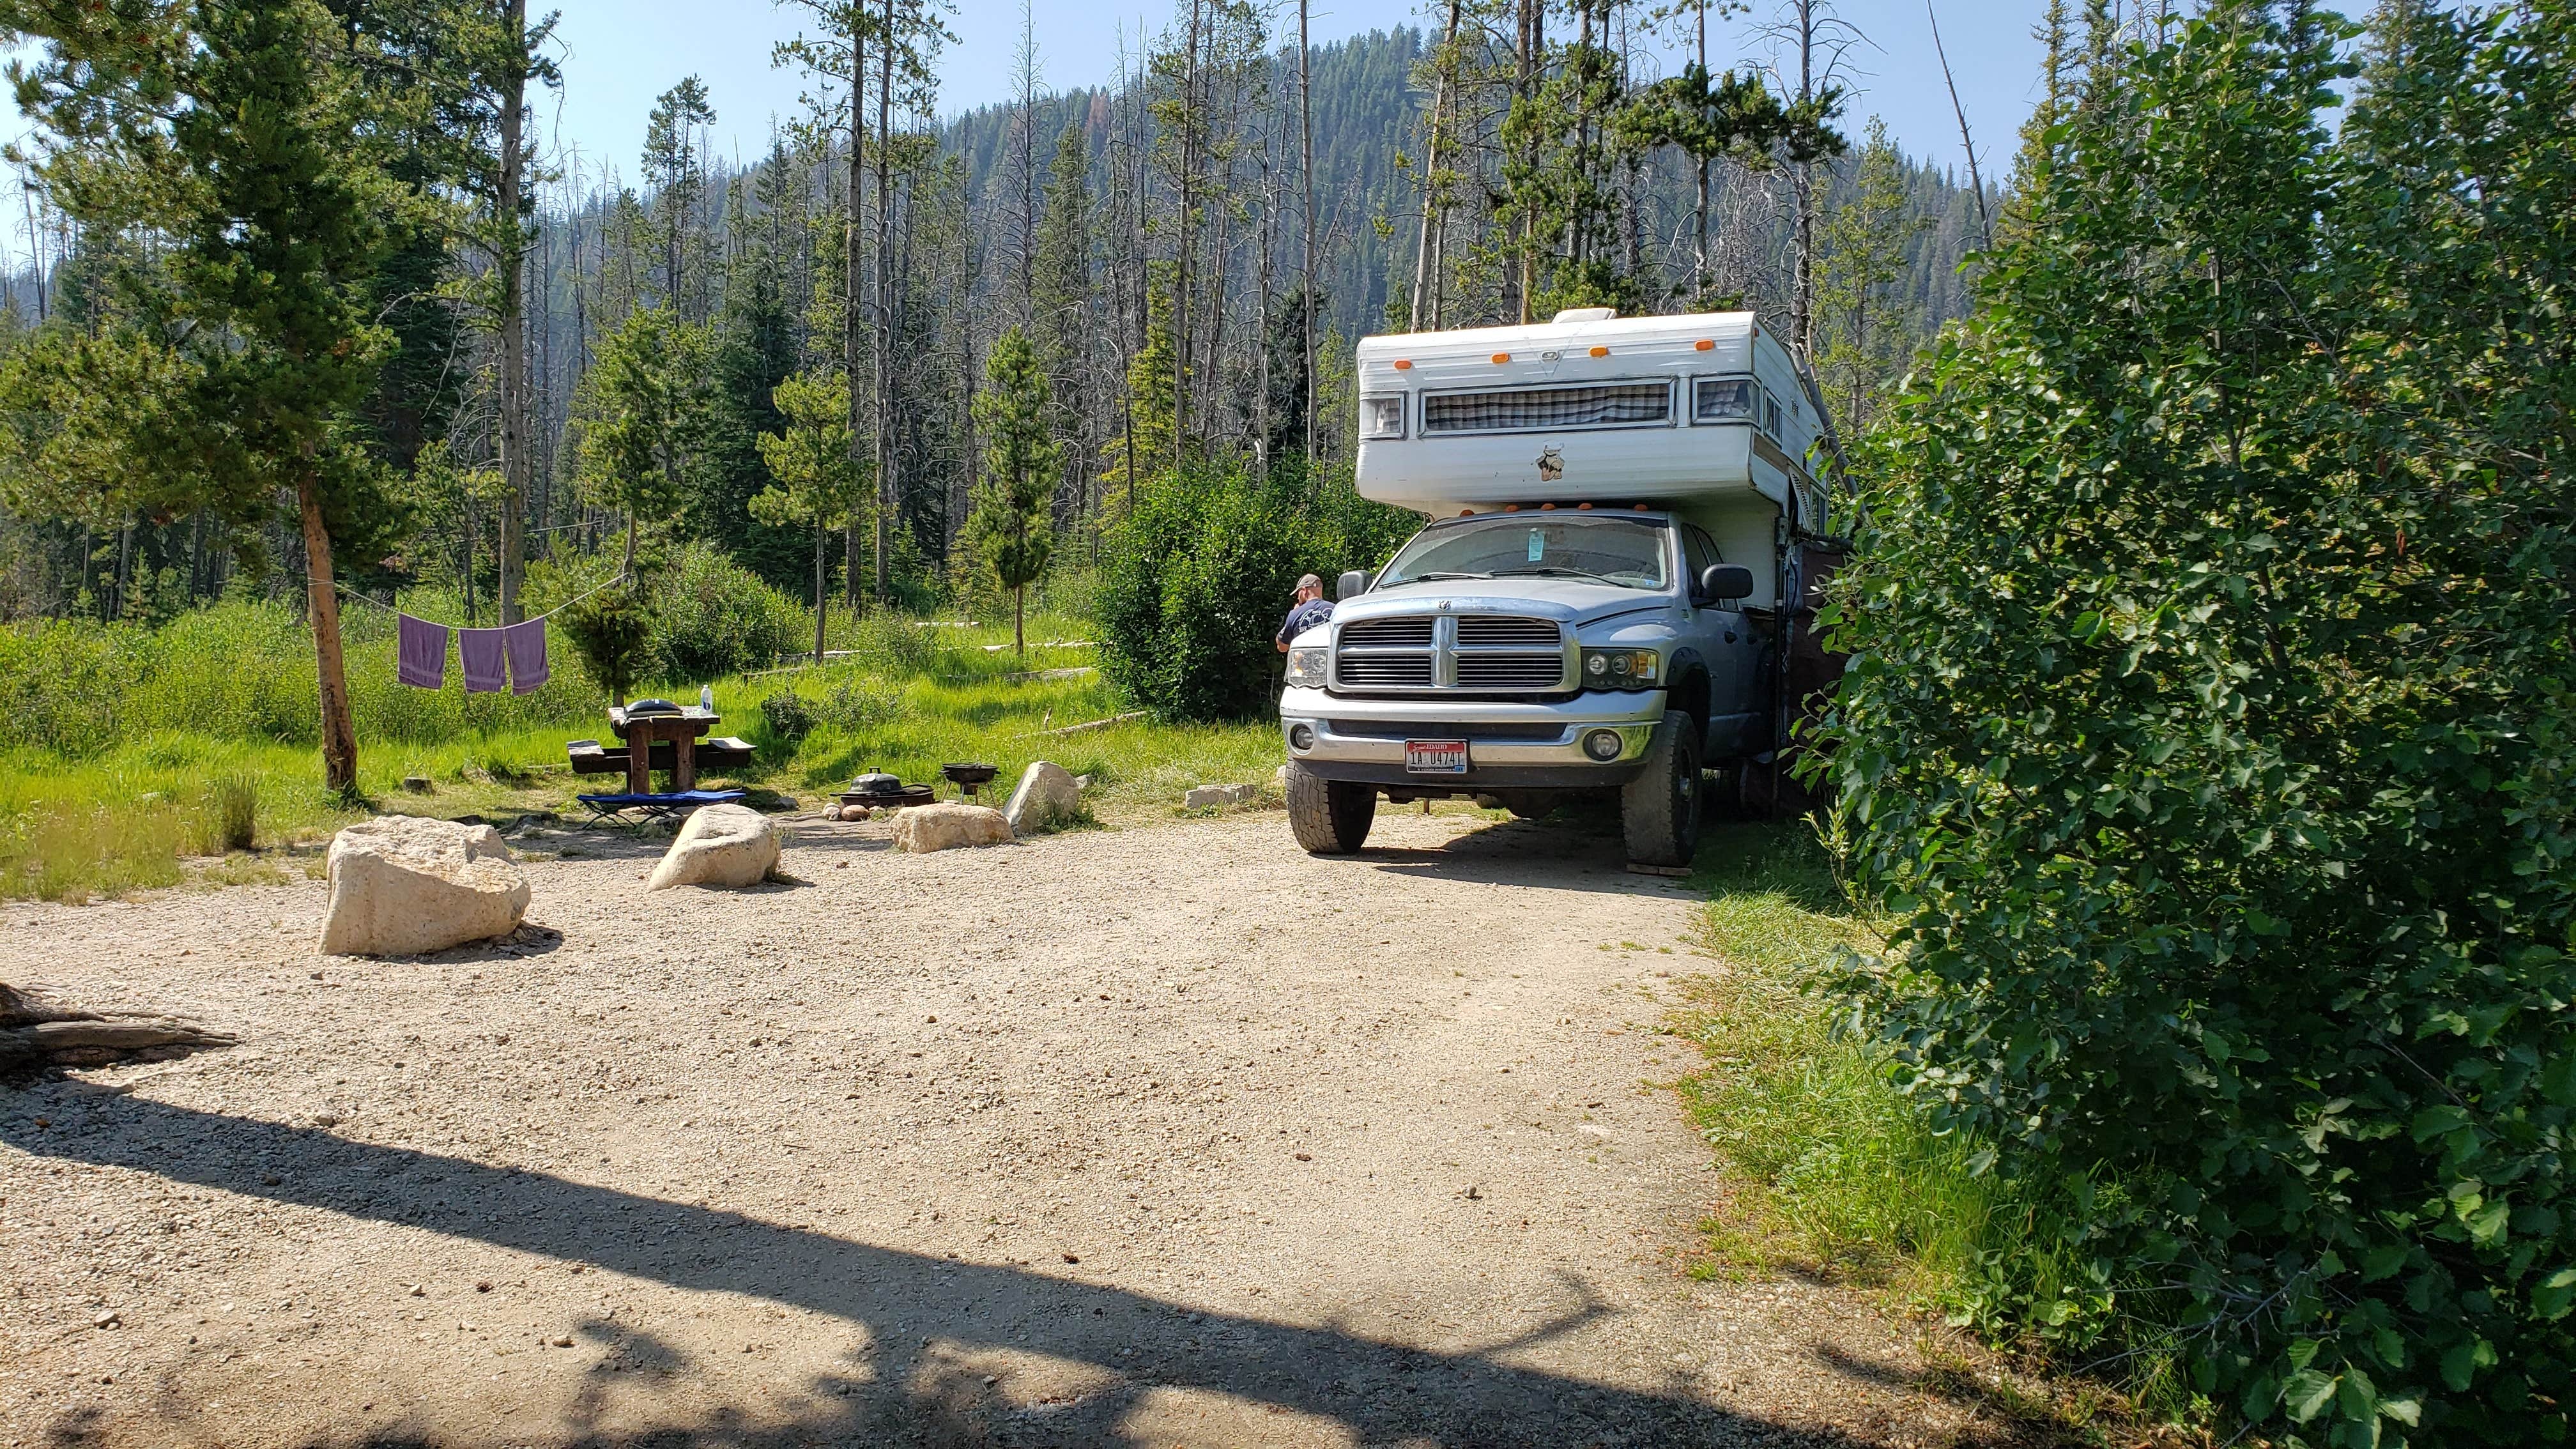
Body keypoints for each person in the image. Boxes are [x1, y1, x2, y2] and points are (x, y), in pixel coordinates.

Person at [1275, 573, 1334, 653]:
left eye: (1298, 593)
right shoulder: (1336, 610)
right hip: (1331, 662)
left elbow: (1282, 647)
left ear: (1304, 590)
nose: (1298, 597)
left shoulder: (1295, 614)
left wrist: (1292, 616)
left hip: (1304, 664)